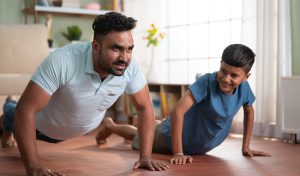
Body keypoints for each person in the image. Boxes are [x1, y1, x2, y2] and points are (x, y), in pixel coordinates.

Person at [3, 12, 168, 176]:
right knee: (14, 112)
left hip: (83, 126)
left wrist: (145, 156)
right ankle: (8, 108)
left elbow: (145, 107)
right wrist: (33, 167)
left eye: (129, 49)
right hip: (42, 127)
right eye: (116, 48)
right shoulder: (63, 60)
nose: (124, 58)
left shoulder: (130, 67)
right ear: (96, 47)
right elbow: (25, 110)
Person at [96, 44, 271, 165]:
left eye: (234, 75)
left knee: (154, 127)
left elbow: (249, 110)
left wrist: (246, 146)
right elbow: (178, 112)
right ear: (220, 65)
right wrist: (178, 152)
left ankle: (154, 124)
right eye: (223, 70)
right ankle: (111, 126)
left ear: (246, 77)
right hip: (171, 137)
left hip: (197, 143)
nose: (226, 78)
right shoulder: (207, 83)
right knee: (140, 136)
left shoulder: (245, 89)